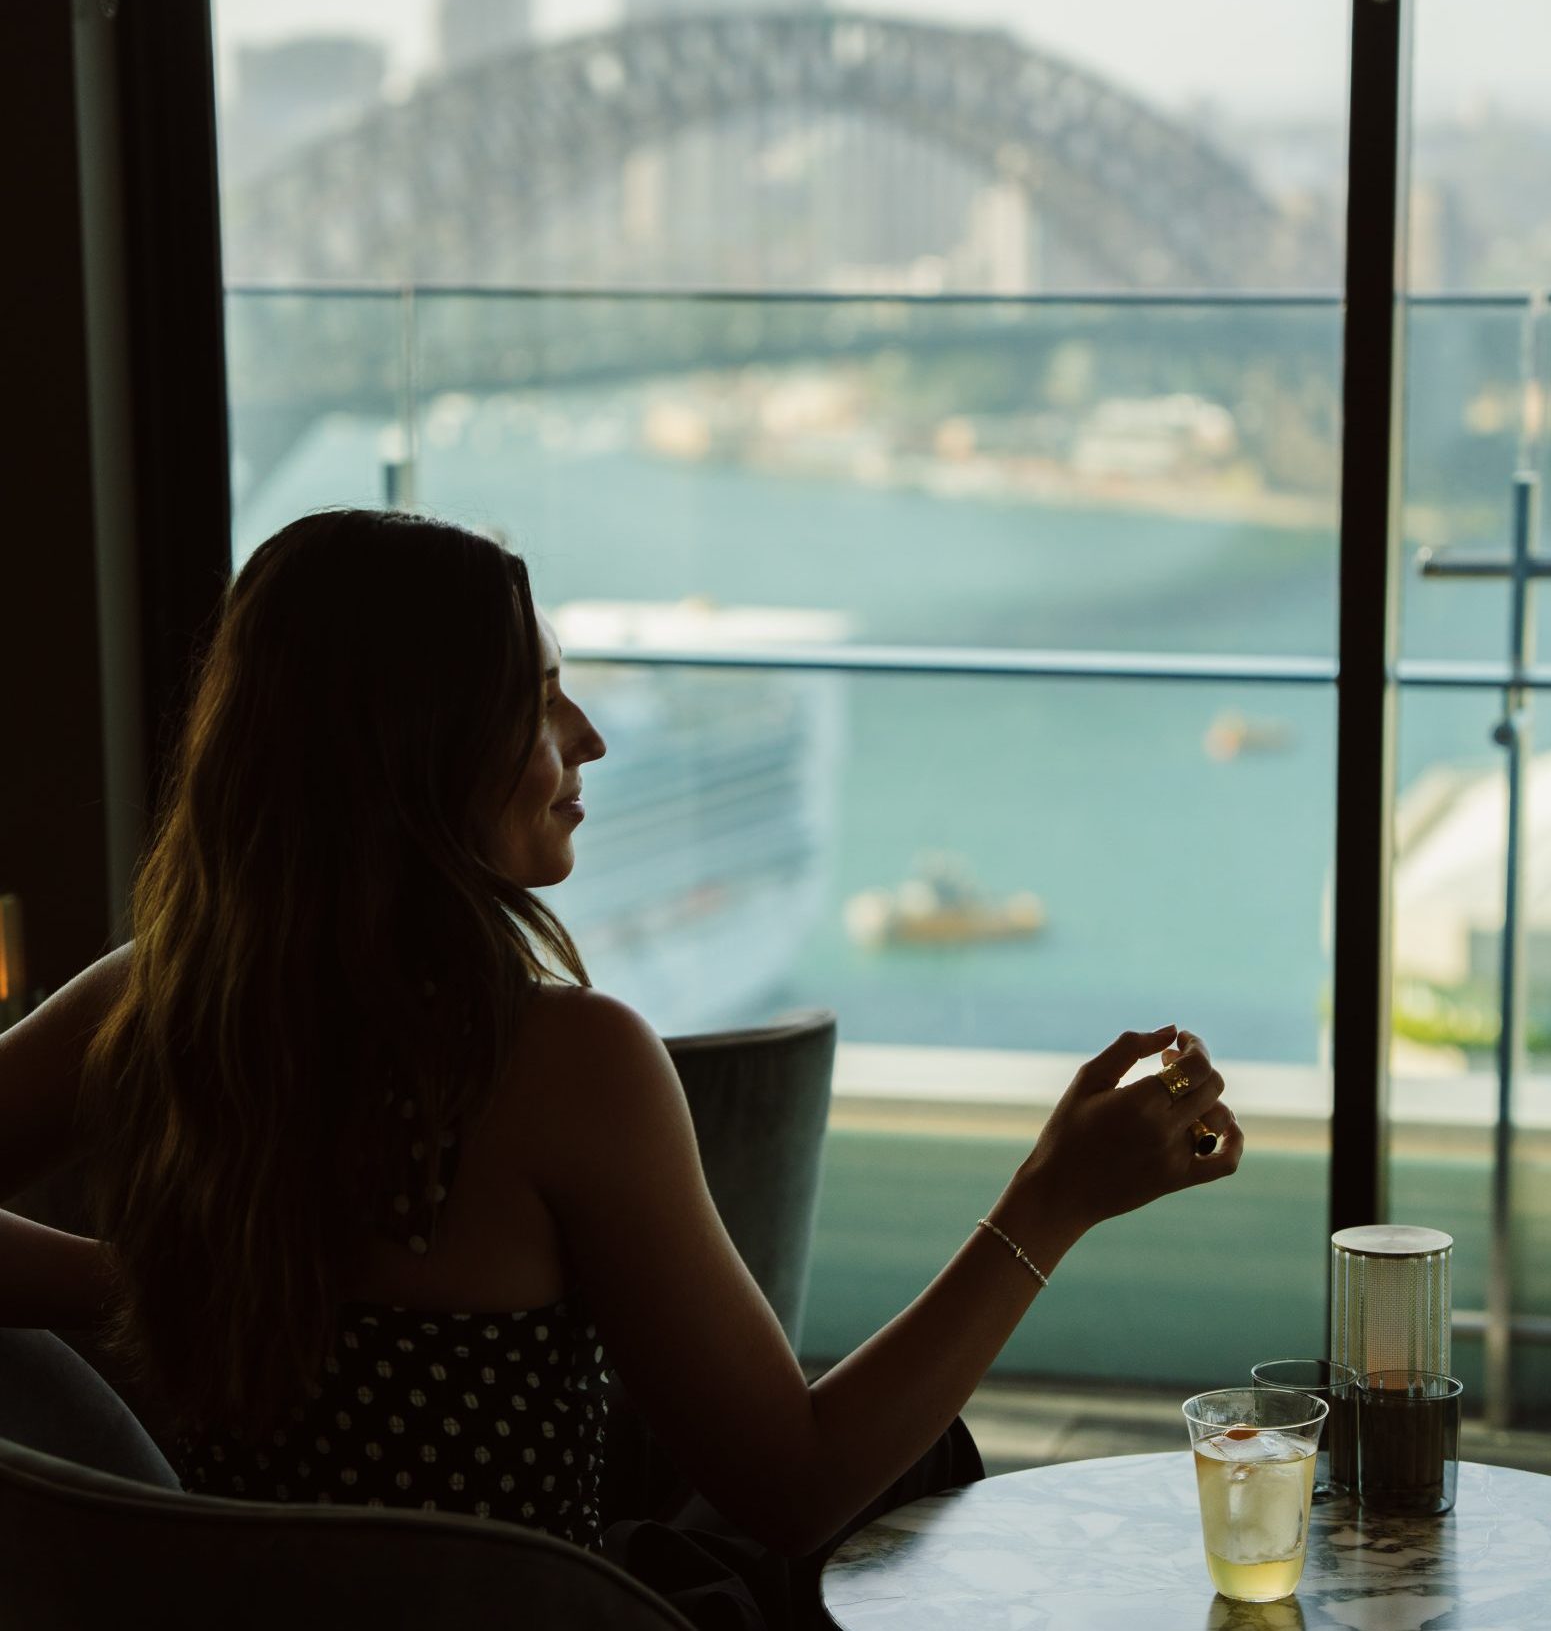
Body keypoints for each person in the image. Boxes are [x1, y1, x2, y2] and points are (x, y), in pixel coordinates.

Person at [0, 508, 1243, 1626]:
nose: (586, 735)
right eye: (539, 701)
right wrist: (1054, 1197)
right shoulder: (559, 1060)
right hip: (540, 1615)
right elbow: (790, 1480)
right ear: (419, 748)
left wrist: (145, 1287)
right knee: (910, 1470)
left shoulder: (157, 1003)